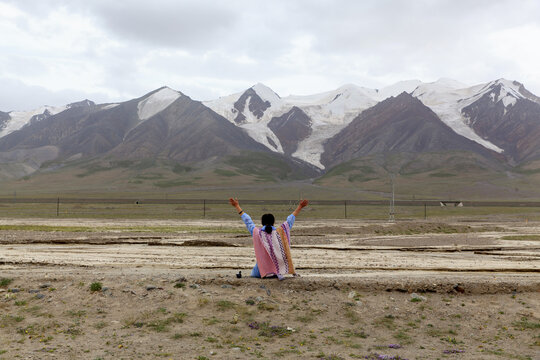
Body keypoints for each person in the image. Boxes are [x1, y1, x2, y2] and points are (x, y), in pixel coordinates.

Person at [229, 198, 309, 280]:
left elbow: (248, 221)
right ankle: (276, 272)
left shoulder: (257, 232)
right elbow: (290, 220)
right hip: (278, 270)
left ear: (262, 222)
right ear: (273, 222)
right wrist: (300, 207)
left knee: (254, 273)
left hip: (261, 272)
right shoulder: (280, 232)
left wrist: (237, 206)